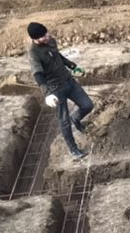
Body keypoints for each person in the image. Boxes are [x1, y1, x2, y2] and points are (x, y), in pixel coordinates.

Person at [26, 22, 93, 162]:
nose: (47, 36)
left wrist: (73, 66)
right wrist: (47, 94)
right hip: (55, 89)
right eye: (43, 36)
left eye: (46, 33)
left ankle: (76, 118)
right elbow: (38, 74)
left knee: (87, 105)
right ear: (35, 39)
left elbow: (57, 56)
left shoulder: (51, 41)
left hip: (68, 81)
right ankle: (73, 149)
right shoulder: (33, 54)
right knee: (64, 121)